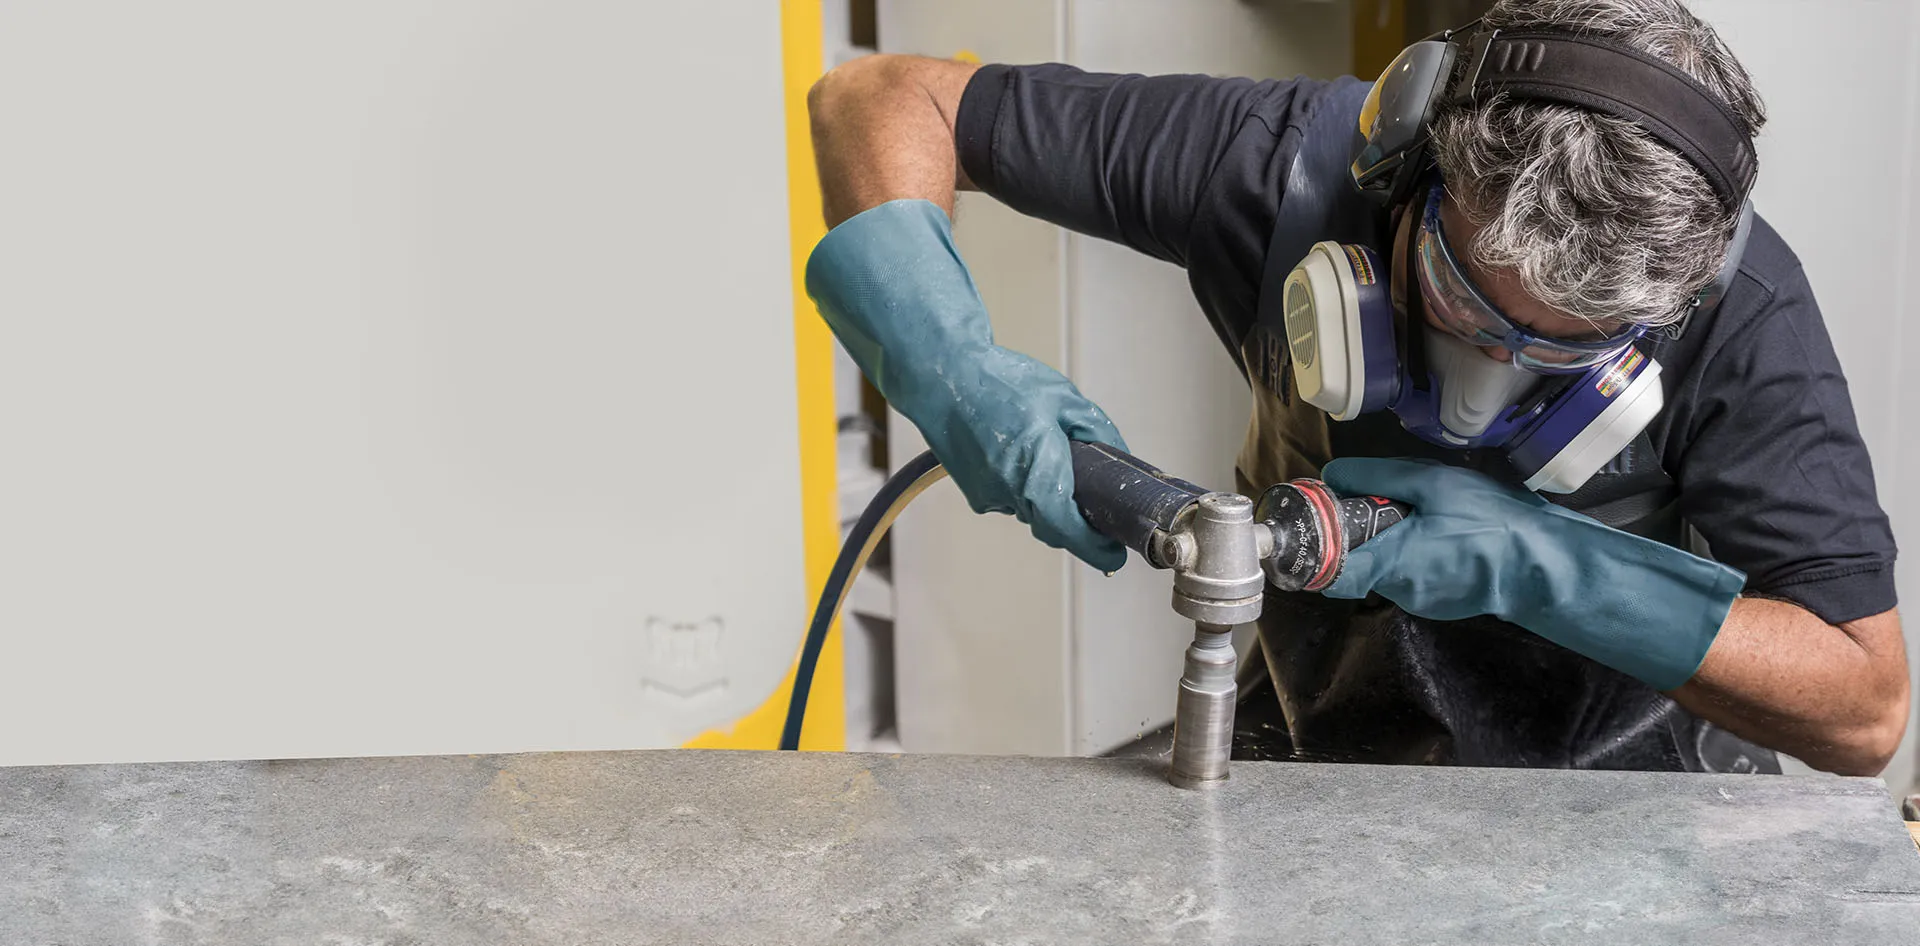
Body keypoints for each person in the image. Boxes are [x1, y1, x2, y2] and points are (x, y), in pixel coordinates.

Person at [802, 0, 1908, 776]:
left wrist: (1543, 563)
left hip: (1639, 781)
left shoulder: (1738, 308)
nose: (1484, 381)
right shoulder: (1279, 165)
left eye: (1564, 352)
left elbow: (1865, 710)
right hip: (1320, 730)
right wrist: (957, 369)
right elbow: (880, 100)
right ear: (1411, 163)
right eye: (1464, 301)